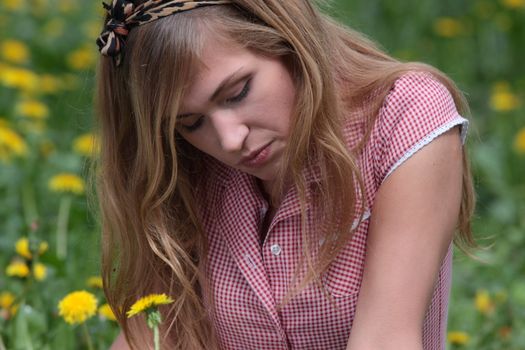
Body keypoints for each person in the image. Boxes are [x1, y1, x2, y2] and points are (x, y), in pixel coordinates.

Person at [94, 0, 477, 349]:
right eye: (192, 123)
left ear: (289, 43)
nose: (230, 140)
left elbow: (385, 338)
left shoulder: (403, 117)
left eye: (237, 92)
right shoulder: (189, 167)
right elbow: (147, 339)